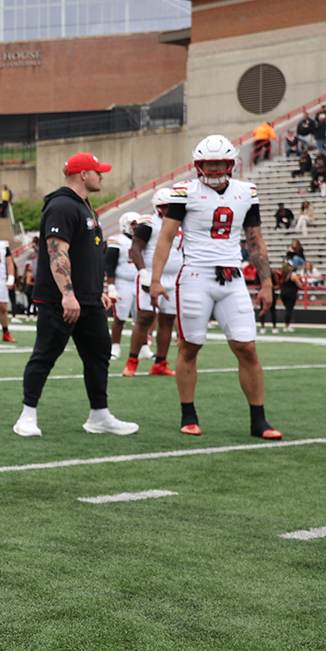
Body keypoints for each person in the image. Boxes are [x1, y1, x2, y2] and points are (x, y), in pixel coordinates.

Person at [148, 135, 278, 438]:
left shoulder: (246, 192)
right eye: (209, 163)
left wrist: (267, 282)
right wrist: (155, 280)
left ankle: (259, 420)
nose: (215, 168)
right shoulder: (184, 192)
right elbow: (166, 237)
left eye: (220, 162)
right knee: (191, 347)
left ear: (230, 163)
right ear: (198, 164)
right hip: (196, 276)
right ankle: (188, 414)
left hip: (233, 277)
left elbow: (255, 239)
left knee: (247, 348)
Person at [12, 154, 136, 438]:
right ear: (83, 174)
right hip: (61, 301)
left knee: (99, 354)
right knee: (45, 354)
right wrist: (68, 295)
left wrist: (98, 291)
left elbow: (87, 256)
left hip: (89, 300)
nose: (101, 176)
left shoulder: (84, 207)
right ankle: (27, 415)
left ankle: (99, 415)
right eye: (97, 171)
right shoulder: (62, 205)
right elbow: (58, 252)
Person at [125, 191, 180, 377]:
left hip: (174, 278)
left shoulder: (183, 222)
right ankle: (132, 361)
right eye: (164, 207)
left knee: (168, 320)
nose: (167, 210)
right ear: (156, 207)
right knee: (145, 318)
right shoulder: (149, 222)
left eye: (170, 206)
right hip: (151, 274)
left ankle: (160, 363)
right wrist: (143, 273)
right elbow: (136, 248)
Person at [105, 211, 140, 359]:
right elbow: (109, 263)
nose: (137, 228)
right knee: (120, 317)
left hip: (139, 281)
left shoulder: (144, 239)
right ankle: (115, 347)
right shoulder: (117, 240)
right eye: (134, 225)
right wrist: (111, 285)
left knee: (143, 317)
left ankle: (143, 348)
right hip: (123, 281)